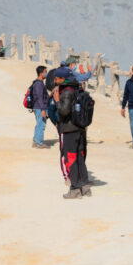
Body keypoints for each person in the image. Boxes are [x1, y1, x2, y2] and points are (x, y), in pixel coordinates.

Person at [54, 67, 93, 198]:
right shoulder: (78, 88)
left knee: (71, 158)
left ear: (62, 79)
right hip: (80, 129)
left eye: (57, 78)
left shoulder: (65, 92)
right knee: (80, 157)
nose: (55, 80)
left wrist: (57, 100)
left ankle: (75, 189)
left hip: (70, 130)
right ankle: (85, 187)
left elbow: (64, 111)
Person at [31, 65, 48, 149]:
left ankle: (35, 141)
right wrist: (43, 109)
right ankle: (39, 143)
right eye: (45, 72)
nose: (46, 73)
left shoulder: (39, 83)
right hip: (39, 107)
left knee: (39, 124)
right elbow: (40, 97)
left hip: (38, 107)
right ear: (41, 73)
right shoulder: (38, 84)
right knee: (41, 125)